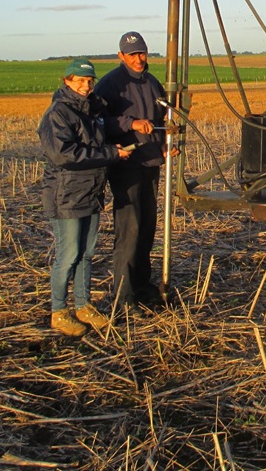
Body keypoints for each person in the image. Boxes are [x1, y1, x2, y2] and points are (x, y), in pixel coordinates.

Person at [38, 58, 131, 337]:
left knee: (87, 254)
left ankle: (83, 305)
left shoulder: (93, 110)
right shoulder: (58, 113)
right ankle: (58, 311)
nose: (85, 86)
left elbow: (95, 144)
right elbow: (64, 155)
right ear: (66, 81)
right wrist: (111, 154)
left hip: (90, 192)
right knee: (68, 256)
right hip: (65, 194)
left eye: (89, 81)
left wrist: (113, 147)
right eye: (79, 81)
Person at [94, 31, 168, 309]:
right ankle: (123, 298)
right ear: (121, 56)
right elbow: (99, 121)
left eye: (142, 53)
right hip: (127, 166)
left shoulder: (152, 82)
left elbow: (162, 119)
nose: (139, 59)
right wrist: (130, 124)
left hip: (151, 164)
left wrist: (163, 147)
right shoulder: (111, 84)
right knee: (130, 230)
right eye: (133, 54)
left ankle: (142, 285)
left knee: (147, 228)